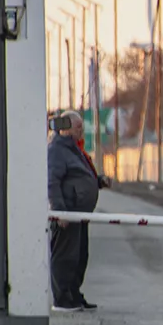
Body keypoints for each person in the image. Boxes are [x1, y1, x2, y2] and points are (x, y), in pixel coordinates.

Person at [47, 110, 111, 312]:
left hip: (80, 216)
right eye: (78, 127)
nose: (81, 131)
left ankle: (74, 294)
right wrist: (60, 211)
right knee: (65, 257)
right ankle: (63, 299)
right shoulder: (58, 149)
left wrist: (98, 181)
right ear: (66, 128)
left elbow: (79, 175)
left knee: (79, 257)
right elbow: (53, 181)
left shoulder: (75, 149)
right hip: (68, 215)